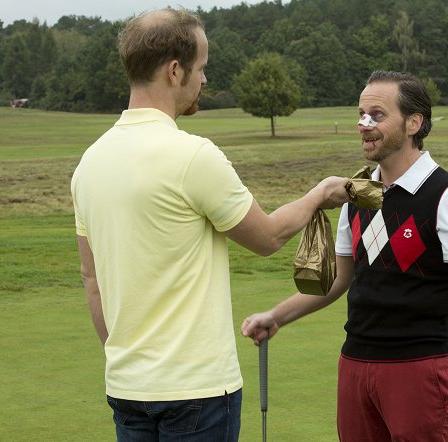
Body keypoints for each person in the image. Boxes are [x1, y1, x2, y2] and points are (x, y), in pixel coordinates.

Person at [70, 8, 349, 442]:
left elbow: (91, 279)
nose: (204, 80)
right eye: (201, 69)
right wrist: (318, 195)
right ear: (175, 70)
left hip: (125, 387)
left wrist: (125, 358)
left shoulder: (88, 164)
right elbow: (268, 236)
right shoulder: (193, 155)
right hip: (197, 392)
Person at [242, 71, 448, 441]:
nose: (363, 125)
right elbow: (340, 280)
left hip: (418, 367)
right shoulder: (357, 195)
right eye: (361, 114)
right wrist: (276, 316)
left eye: (377, 115)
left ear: (413, 123)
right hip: (355, 363)